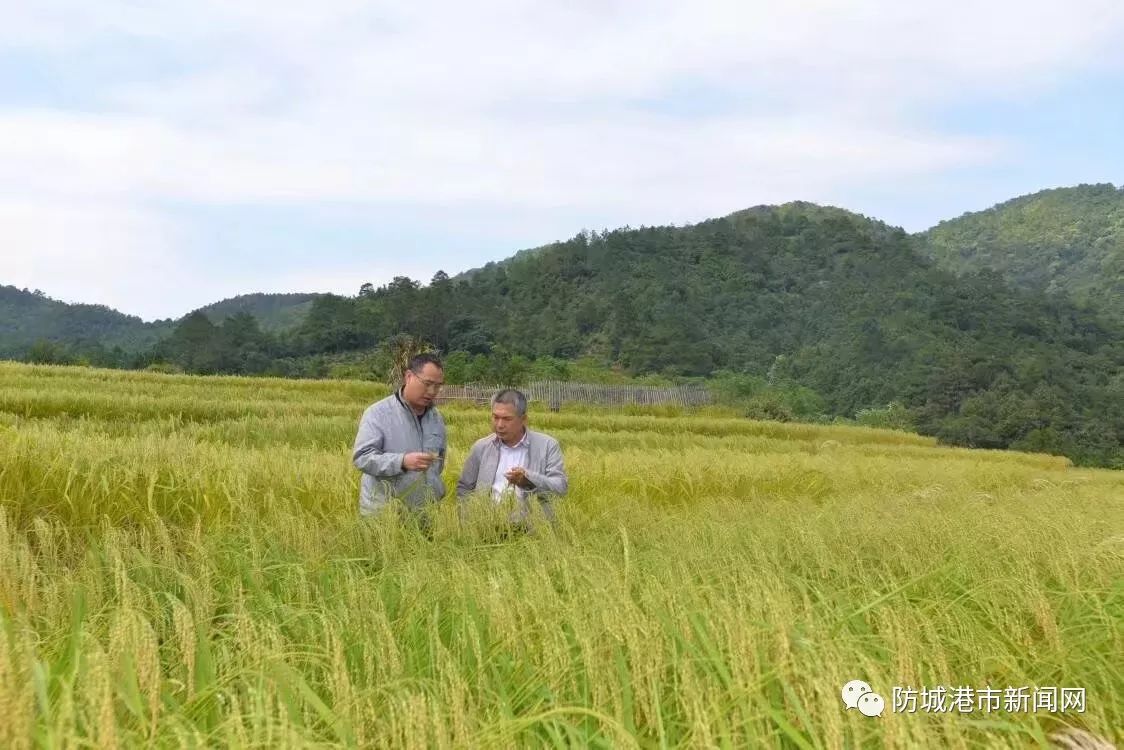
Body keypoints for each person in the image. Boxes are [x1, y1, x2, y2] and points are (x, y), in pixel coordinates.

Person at [456, 388, 568, 528]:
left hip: (532, 534)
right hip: (487, 531)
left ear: (523, 420)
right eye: (495, 417)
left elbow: (560, 488)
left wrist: (528, 480)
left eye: (507, 419)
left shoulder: (547, 446)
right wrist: (468, 522)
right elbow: (465, 488)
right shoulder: (481, 447)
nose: (500, 425)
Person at [352, 353, 447, 518]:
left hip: (425, 515)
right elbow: (362, 458)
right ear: (409, 376)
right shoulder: (378, 413)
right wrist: (402, 461)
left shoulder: (436, 418)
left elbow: (439, 464)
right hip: (386, 517)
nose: (432, 392)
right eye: (427, 384)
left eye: (437, 386)